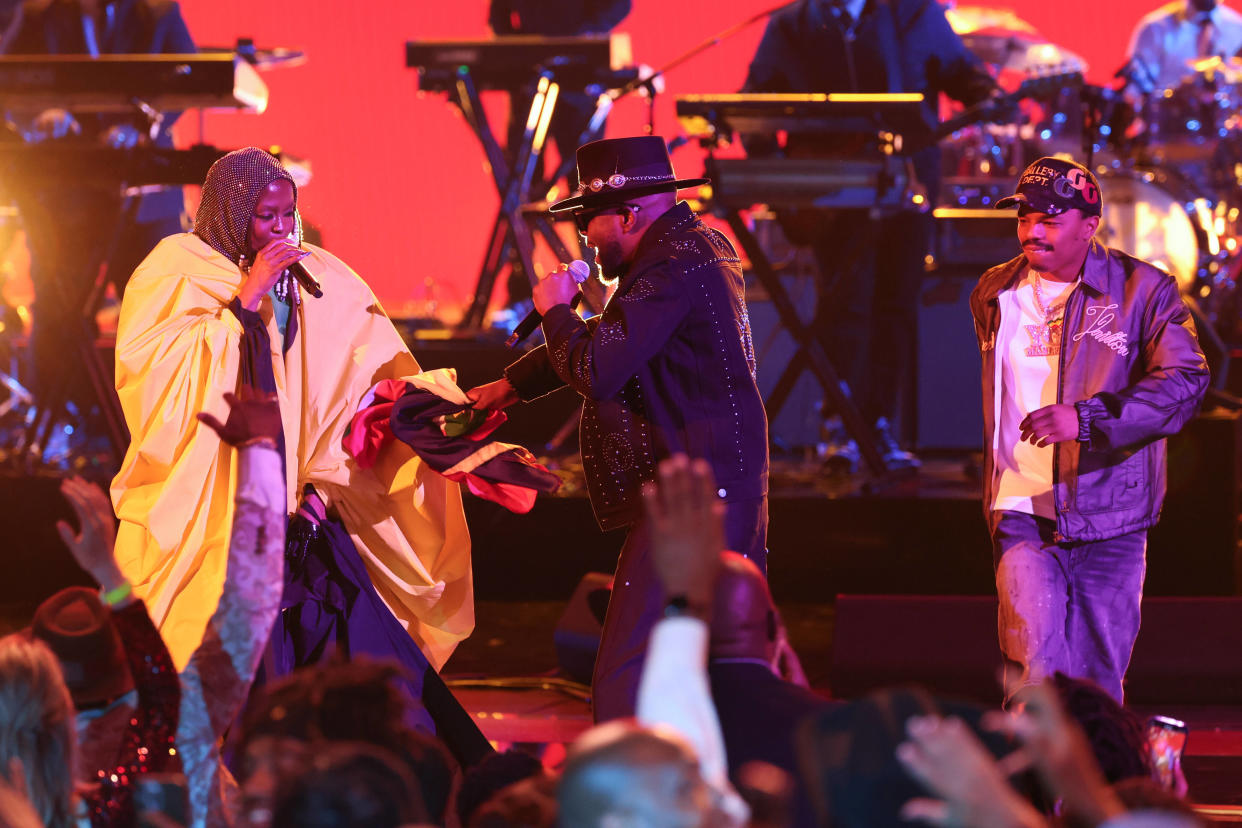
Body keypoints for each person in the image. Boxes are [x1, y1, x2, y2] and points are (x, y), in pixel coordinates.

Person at [110, 148, 483, 757]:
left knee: (343, 642)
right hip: (219, 506)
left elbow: (356, 376)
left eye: (289, 215)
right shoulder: (175, 270)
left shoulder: (321, 277)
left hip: (304, 507)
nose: (282, 231)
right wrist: (244, 304)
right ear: (231, 215)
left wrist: (420, 415)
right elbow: (159, 383)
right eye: (265, 217)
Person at [467, 135, 770, 722]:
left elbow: (600, 367)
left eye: (588, 221)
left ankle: (626, 797)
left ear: (628, 215)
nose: (583, 237)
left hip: (696, 496)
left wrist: (556, 310)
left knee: (631, 667)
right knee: (709, 660)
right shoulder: (687, 251)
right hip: (712, 486)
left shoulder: (674, 265)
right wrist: (508, 387)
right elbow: (622, 337)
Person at [970, 157, 1208, 706]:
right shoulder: (992, 292)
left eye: (1050, 219)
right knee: (1035, 677)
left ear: (1089, 224)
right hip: (1021, 513)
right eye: (1024, 217)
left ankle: (1093, 790)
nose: (1032, 231)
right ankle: (1036, 794)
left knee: (1097, 686)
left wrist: (1086, 418)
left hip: (1111, 517)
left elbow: (1186, 381)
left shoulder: (1143, 290)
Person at [741, 0, 998, 471]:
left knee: (896, 303)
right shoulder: (793, 24)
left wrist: (986, 93)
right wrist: (778, 179)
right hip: (831, 191)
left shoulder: (912, 14)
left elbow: (961, 72)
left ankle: (875, 425)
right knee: (846, 304)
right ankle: (840, 428)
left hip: (906, 181)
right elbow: (754, 101)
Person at [1, 0, 195, 447]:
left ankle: (169, 431)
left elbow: (191, 78)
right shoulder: (42, 13)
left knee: (159, 311)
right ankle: (58, 433)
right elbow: (8, 80)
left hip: (144, 194)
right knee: (59, 311)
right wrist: (38, 116)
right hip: (67, 195)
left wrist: (139, 126)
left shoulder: (155, 11)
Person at [1125, 0, 1242, 92]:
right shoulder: (1156, 28)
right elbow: (1138, 90)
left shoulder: (1237, 27)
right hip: (1169, 118)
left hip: (1221, 118)